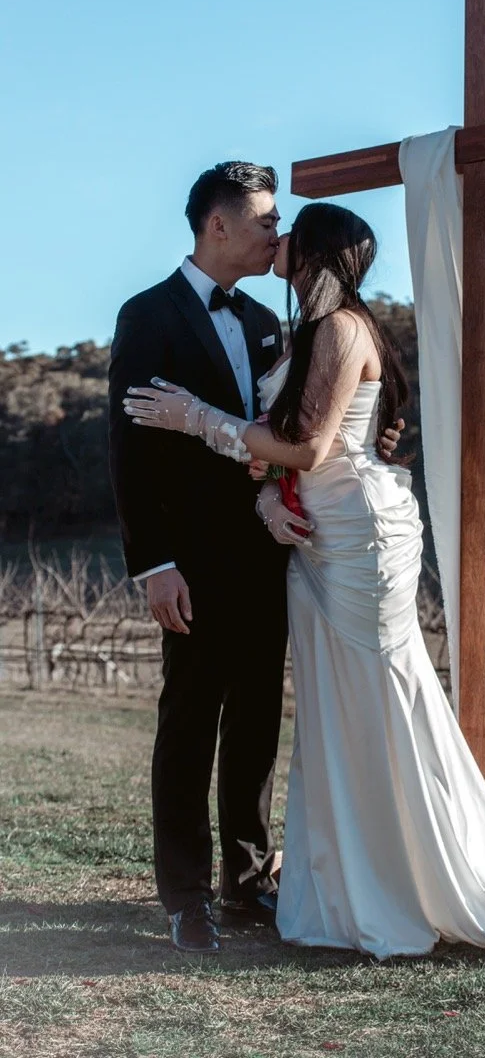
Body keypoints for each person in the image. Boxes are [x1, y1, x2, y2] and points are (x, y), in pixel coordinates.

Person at [123, 201, 485, 962]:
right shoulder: (292, 327)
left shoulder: (336, 330)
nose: (277, 235)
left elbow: (307, 444)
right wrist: (265, 496)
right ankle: (345, 875)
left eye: (288, 230)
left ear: (314, 253)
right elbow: (293, 449)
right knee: (334, 706)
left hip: (356, 540)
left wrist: (196, 417)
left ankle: (409, 870)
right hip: (310, 534)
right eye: (267, 222)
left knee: (375, 692)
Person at [108, 166, 401, 955]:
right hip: (191, 564)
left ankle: (247, 881)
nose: (278, 232)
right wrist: (153, 564)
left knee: (256, 725)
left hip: (272, 553)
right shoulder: (147, 315)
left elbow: (282, 433)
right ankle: (184, 896)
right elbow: (129, 456)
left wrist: (274, 494)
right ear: (218, 226)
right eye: (266, 220)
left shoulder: (277, 322)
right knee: (190, 720)